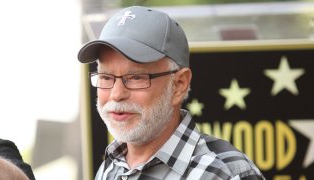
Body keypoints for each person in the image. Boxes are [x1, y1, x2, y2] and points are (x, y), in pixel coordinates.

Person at [78, 6, 265, 180]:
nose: (116, 94)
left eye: (136, 77)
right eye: (106, 77)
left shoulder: (226, 174)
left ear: (179, 85)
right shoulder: (111, 167)